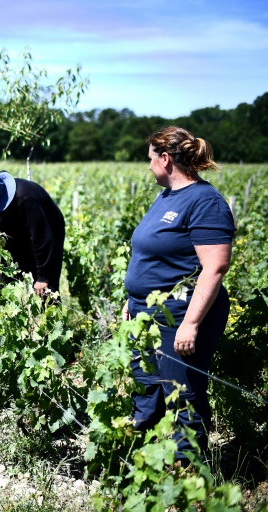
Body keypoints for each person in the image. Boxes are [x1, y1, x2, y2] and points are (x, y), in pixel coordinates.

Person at [123, 126, 234, 463]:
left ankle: (190, 473)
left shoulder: (205, 202)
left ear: (166, 159)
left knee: (182, 396)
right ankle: (145, 462)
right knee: (147, 389)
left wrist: (190, 323)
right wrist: (132, 301)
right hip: (145, 312)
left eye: (151, 159)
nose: (149, 166)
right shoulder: (166, 197)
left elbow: (214, 267)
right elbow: (150, 255)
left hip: (178, 315)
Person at [0, 171, 65, 297]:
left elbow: (42, 239)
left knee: (45, 291)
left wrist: (42, 278)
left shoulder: (26, 198)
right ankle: (7, 314)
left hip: (48, 230)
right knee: (4, 283)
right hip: (18, 229)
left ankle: (51, 313)